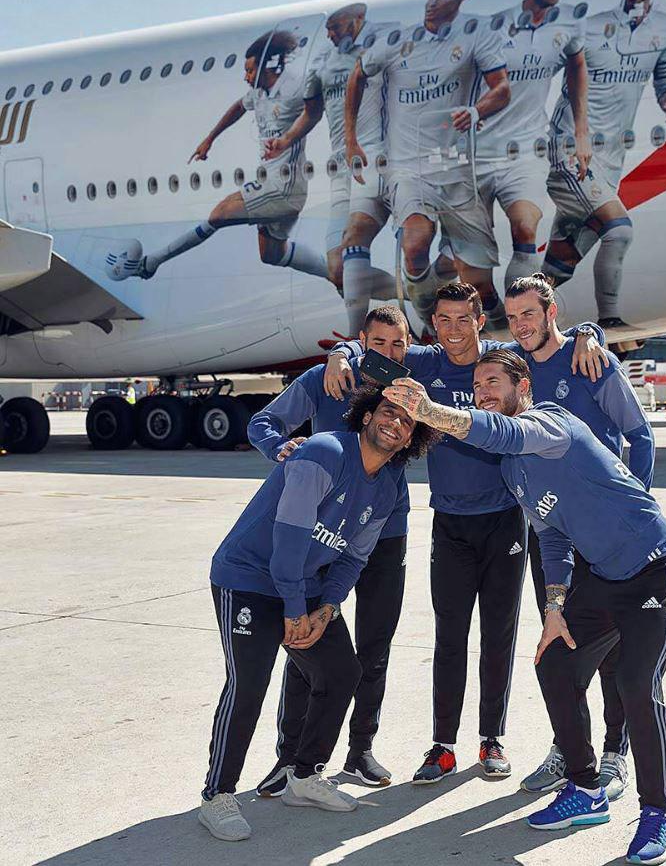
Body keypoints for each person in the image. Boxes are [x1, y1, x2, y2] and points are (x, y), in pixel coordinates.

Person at [383, 351, 666, 866]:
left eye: (493, 381)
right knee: (554, 663)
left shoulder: (549, 424)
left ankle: (656, 812)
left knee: (637, 684)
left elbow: (499, 433)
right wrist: (555, 609)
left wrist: (431, 411)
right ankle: (586, 788)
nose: (483, 390)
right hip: (603, 578)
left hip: (658, 565)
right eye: (477, 383)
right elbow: (551, 538)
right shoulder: (513, 472)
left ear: (521, 385)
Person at [324, 282, 607, 784]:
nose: (454, 331)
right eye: (444, 320)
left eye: (464, 320)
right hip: (449, 523)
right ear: (435, 325)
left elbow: (548, 338)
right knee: (449, 638)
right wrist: (342, 354)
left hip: (504, 522)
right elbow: (372, 347)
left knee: (498, 636)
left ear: (481, 321)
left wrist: (589, 331)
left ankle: (491, 740)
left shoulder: (501, 359)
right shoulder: (426, 364)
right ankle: (442, 745)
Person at [198, 385, 439, 842]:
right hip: (248, 577)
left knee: (343, 672)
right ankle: (218, 795)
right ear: (366, 417)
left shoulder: (387, 486)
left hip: (304, 586)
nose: (395, 423)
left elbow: (353, 558)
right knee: (249, 683)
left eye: (407, 422)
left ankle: (304, 776)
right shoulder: (323, 452)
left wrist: (327, 607)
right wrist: (294, 610)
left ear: (411, 439)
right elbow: (288, 541)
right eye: (388, 412)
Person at [247, 306, 413, 791]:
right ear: (362, 340)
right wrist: (283, 453)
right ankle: (289, 757)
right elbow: (263, 423)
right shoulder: (328, 378)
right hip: (324, 537)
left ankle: (360, 750)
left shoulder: (408, 386)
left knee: (373, 647)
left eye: (398, 344)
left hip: (385, 532)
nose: (388, 353)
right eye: (377, 343)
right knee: (306, 648)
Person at [503, 272, 654, 798]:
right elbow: (459, 349)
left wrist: (636, 500)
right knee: (560, 638)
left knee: (614, 647)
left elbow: (639, 434)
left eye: (530, 313)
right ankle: (570, 750)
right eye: (513, 315)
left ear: (551, 313)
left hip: (605, 532)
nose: (521, 324)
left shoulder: (590, 360)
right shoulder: (513, 367)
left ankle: (615, 753)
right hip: (552, 531)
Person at [343, 0, 512, 331]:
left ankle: (498, 338)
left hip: (457, 170)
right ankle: (425, 316)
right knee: (415, 243)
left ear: (461, 2)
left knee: (479, 283)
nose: (433, 4)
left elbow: (502, 89)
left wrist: (477, 111)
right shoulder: (398, 42)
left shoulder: (472, 38)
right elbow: (358, 73)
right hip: (410, 169)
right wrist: (351, 139)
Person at [107, 28, 330, 286]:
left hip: (283, 188)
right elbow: (237, 108)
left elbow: (314, 108)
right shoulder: (258, 94)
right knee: (271, 255)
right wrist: (210, 139)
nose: (245, 77)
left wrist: (288, 139)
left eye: (249, 70)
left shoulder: (294, 87)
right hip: (275, 181)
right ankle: (339, 277)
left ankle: (153, 261)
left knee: (219, 214)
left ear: (268, 66)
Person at [544, 0, 666, 331]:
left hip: (611, 161)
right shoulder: (590, 28)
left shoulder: (665, 28)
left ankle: (525, 307)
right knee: (619, 230)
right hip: (572, 153)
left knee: (561, 262)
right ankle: (609, 321)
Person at [264, 4, 399, 335]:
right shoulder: (323, 62)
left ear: (358, 21)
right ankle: (416, 292)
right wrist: (285, 140)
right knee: (336, 268)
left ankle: (357, 339)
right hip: (341, 168)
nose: (329, 33)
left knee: (355, 241)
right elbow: (311, 113)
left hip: (374, 160)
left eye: (336, 26)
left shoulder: (379, 48)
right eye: (329, 28)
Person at [459, 0, 591, 308]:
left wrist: (581, 130)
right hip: (476, 153)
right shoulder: (493, 27)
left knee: (526, 230)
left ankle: (521, 320)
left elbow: (577, 65)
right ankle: (491, 319)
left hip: (527, 148)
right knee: (473, 264)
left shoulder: (565, 26)